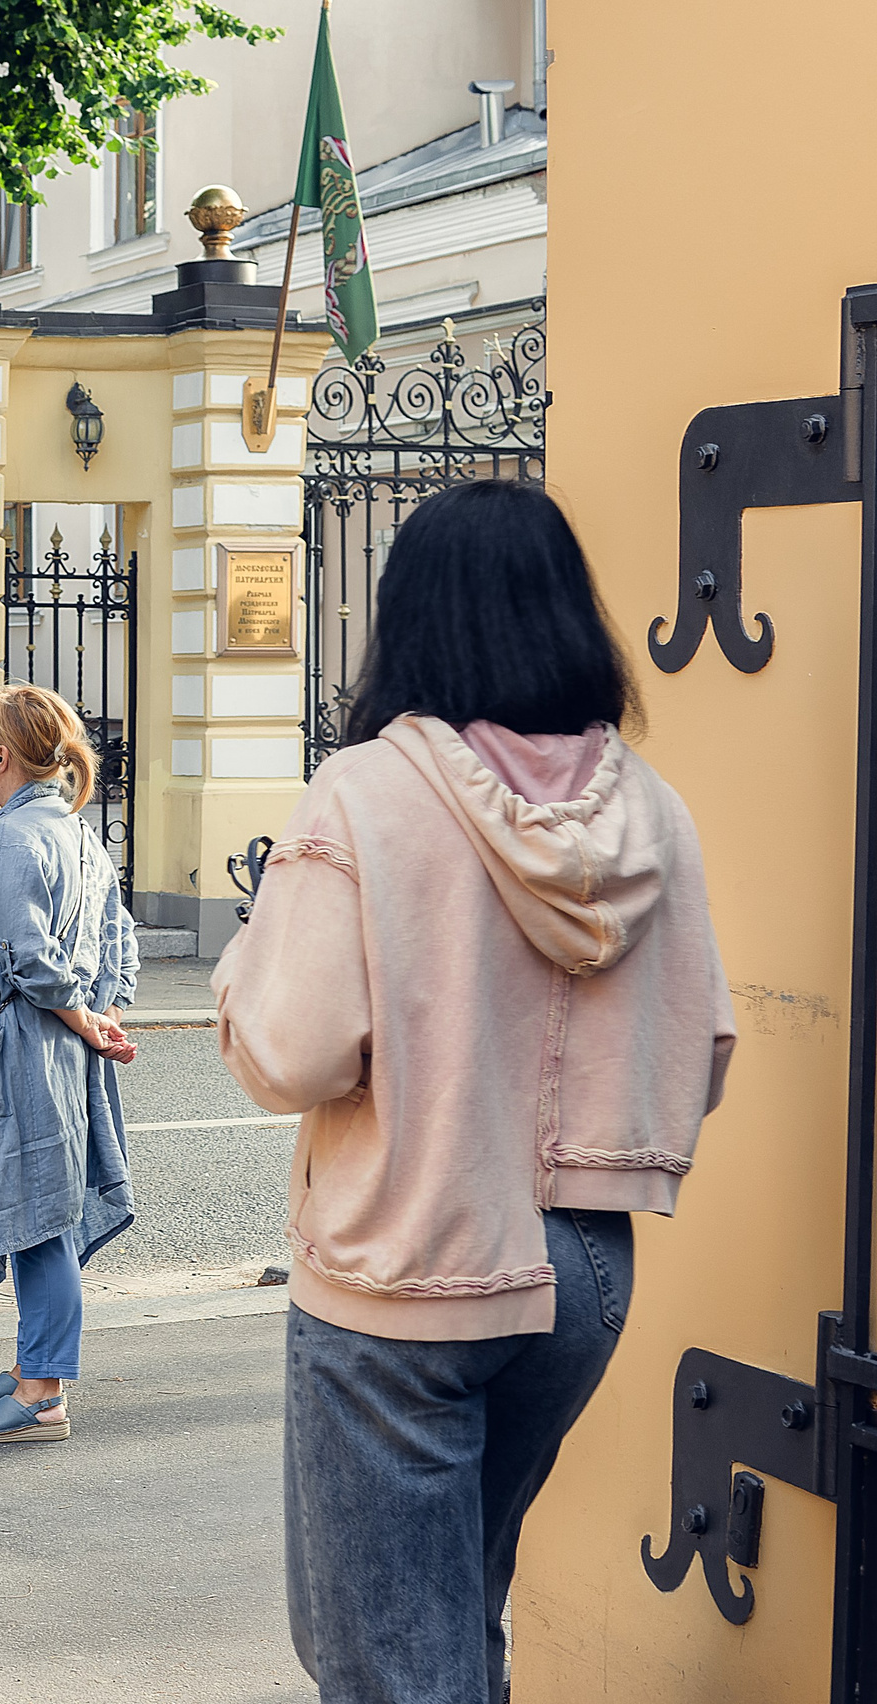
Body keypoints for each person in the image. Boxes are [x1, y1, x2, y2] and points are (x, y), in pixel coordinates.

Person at [210, 481, 736, 1702]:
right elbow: (701, 1050)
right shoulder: (652, 811)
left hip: (406, 1265)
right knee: (455, 1618)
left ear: (411, 621)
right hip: (588, 1270)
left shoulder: (366, 795)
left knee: (384, 1661)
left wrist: (248, 956)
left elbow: (288, 1052)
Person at [0, 683, 138, 1444]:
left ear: (1, 755)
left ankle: (44, 1391)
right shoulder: (72, 829)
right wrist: (101, 1016)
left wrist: (79, 1013)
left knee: (40, 1216)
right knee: (35, 1204)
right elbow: (118, 940)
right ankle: (28, 1366)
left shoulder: (11, 839)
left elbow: (27, 959)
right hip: (60, 1044)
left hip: (28, 1044)